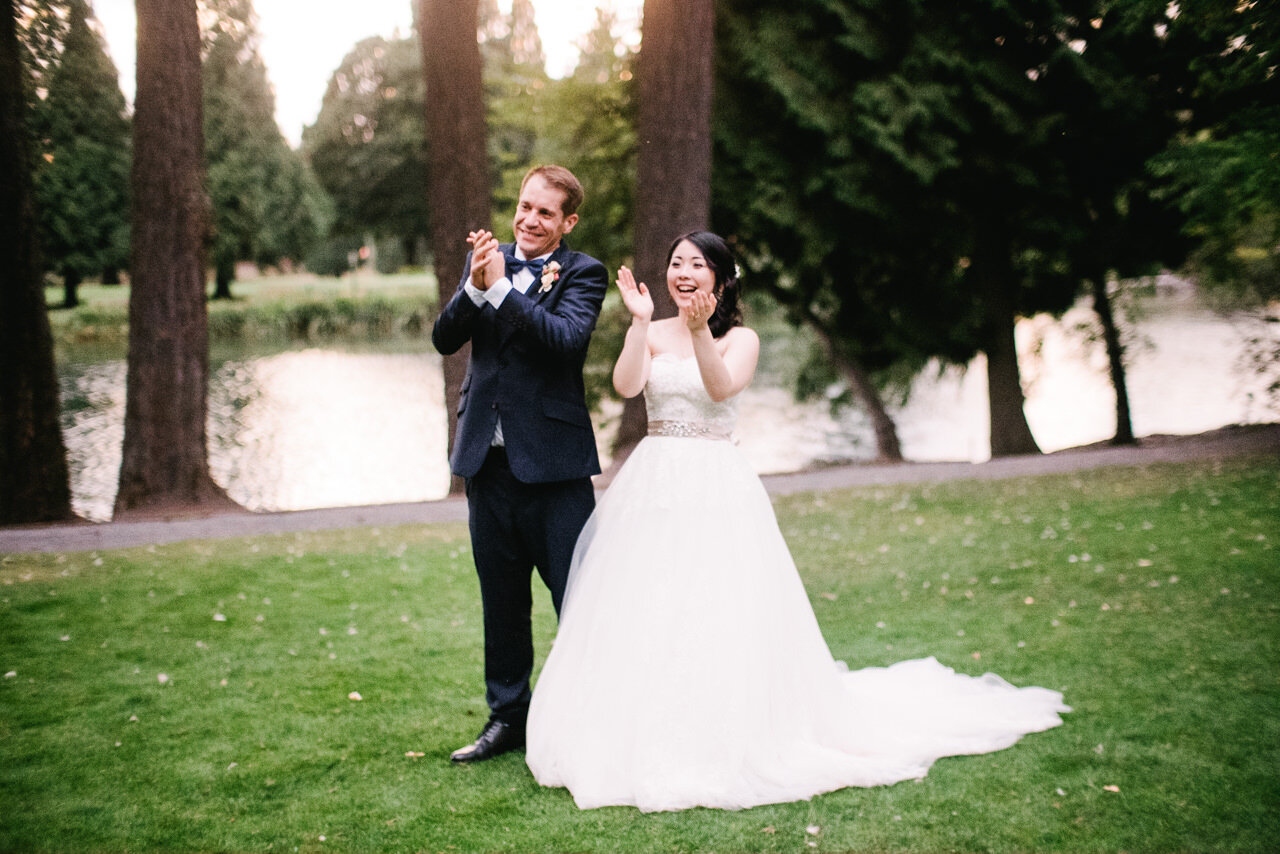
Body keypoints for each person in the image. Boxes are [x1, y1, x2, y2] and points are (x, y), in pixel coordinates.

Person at [525, 231, 1069, 811]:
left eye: (698, 265)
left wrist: (700, 330)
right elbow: (627, 386)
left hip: (714, 480)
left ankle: (727, 731)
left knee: (717, 604)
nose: (684, 272)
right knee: (649, 601)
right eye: (677, 263)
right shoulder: (652, 330)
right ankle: (634, 732)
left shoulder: (742, 339)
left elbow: (718, 389)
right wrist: (638, 324)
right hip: (654, 478)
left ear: (721, 278)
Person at [432, 165, 608, 763]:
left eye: (545, 212)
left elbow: (565, 340)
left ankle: (597, 714)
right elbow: (444, 338)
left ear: (568, 222)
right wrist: (476, 287)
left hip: (556, 471)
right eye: (525, 207)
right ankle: (508, 719)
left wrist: (503, 290)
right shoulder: (486, 259)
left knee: (578, 598)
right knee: (502, 603)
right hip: (488, 464)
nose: (530, 220)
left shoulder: (584, 272)